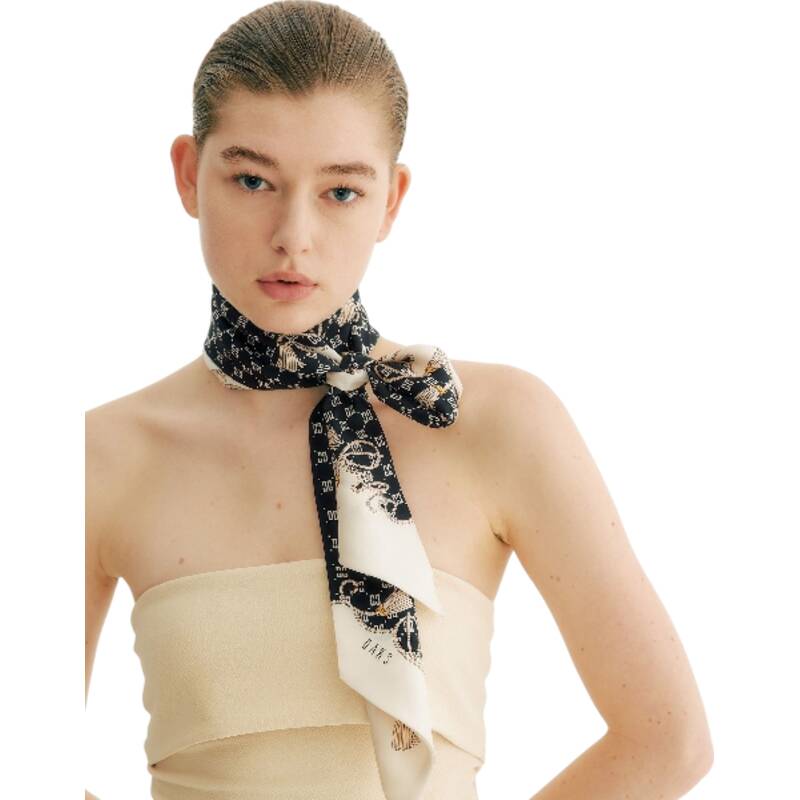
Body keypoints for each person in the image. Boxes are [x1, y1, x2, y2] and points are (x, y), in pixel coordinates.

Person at [85, 2, 713, 798]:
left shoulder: (497, 422)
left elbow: (668, 739)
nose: (293, 235)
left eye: (341, 191)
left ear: (391, 199)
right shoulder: (98, 457)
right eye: (252, 180)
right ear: (187, 174)